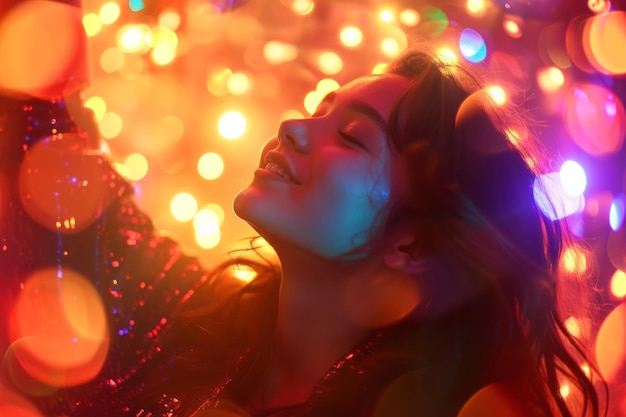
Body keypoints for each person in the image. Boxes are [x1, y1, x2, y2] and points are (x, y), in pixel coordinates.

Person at [0, 48, 608, 416]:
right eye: (321, 111)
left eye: (351, 137)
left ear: (413, 244)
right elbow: (69, 185)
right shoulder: (188, 325)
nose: (294, 126)